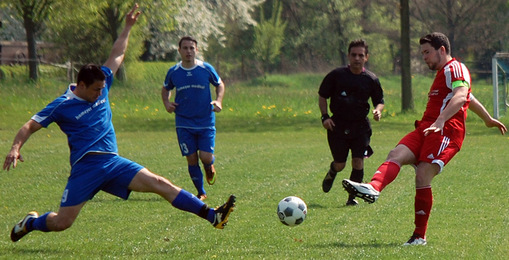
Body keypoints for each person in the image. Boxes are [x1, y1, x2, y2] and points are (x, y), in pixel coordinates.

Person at [3, 4, 235, 243]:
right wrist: (15, 147)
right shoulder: (62, 105)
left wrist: (127, 28)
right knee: (62, 222)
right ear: (81, 85)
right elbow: (30, 125)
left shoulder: (101, 86)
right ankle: (30, 223)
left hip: (113, 162)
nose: (100, 94)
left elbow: (116, 55)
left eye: (102, 89)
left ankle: (212, 216)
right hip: (86, 168)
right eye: (95, 90)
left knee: (159, 183)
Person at [342, 32, 507, 246]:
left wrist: (440, 120)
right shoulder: (444, 73)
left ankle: (419, 237)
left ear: (442, 50)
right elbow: (469, 97)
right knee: (396, 154)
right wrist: (487, 119)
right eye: (422, 53)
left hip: (446, 130)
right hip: (427, 127)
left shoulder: (455, 68)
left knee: (422, 175)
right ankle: (373, 187)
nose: (424, 57)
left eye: (427, 52)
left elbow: (461, 95)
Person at [318, 39, 384, 206]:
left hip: (360, 127)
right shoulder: (336, 76)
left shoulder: (371, 79)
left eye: (361, 55)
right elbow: (322, 95)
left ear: (366, 58)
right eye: (354, 55)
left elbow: (379, 100)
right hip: (337, 126)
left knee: (358, 161)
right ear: (348, 56)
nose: (357, 58)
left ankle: (351, 198)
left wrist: (378, 110)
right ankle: (332, 171)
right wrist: (325, 117)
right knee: (340, 164)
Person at [161, 36, 225, 201]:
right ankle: (201, 192)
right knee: (191, 158)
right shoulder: (174, 72)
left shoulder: (205, 68)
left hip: (205, 121)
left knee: (205, 157)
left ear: (196, 50)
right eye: (185, 48)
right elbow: (165, 88)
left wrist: (218, 101)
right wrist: (167, 103)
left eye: (191, 48)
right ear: (179, 50)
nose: (188, 51)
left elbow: (219, 84)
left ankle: (209, 165)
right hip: (183, 122)